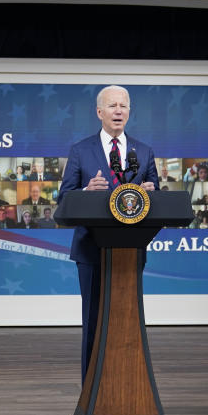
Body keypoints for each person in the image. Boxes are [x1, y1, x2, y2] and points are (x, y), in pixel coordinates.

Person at [59, 85, 158, 381]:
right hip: (91, 249)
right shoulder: (80, 150)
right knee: (93, 322)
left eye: (123, 106)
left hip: (130, 250)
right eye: (112, 106)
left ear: (129, 112)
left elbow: (157, 198)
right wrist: (86, 191)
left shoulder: (144, 151)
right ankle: (91, 391)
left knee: (128, 321)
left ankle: (128, 386)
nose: (118, 111)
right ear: (99, 112)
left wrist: (150, 193)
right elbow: (63, 200)